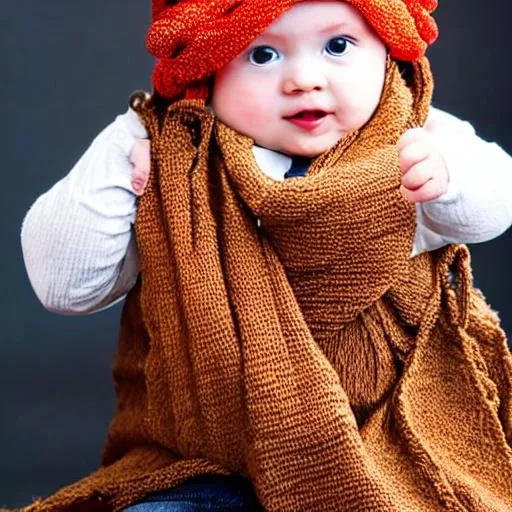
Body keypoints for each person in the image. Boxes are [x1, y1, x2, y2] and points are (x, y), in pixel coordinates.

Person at [19, 1, 512, 511]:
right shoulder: (176, 167)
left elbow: (495, 204)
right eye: (261, 54)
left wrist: (449, 178)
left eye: (337, 46)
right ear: (204, 73)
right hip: (208, 464)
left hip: (380, 443)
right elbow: (66, 285)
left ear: (387, 50)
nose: (302, 78)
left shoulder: (413, 139)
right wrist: (128, 139)